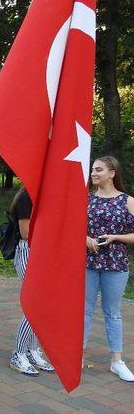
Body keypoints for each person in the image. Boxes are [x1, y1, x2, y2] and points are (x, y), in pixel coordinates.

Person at [85, 156, 134, 382]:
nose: (93, 173)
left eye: (98, 170)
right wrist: (84, 238)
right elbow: (72, 227)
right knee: (84, 311)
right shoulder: (87, 199)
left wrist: (116, 237)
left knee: (112, 312)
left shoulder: (127, 201)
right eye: (92, 170)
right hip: (88, 262)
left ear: (112, 173)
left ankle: (117, 361)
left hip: (116, 263)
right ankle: (78, 357)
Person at [8, 187, 54, 375]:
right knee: (35, 305)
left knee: (41, 306)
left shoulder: (47, 195)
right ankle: (18, 353)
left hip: (43, 251)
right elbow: (26, 233)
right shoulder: (27, 196)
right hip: (29, 250)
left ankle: (32, 350)